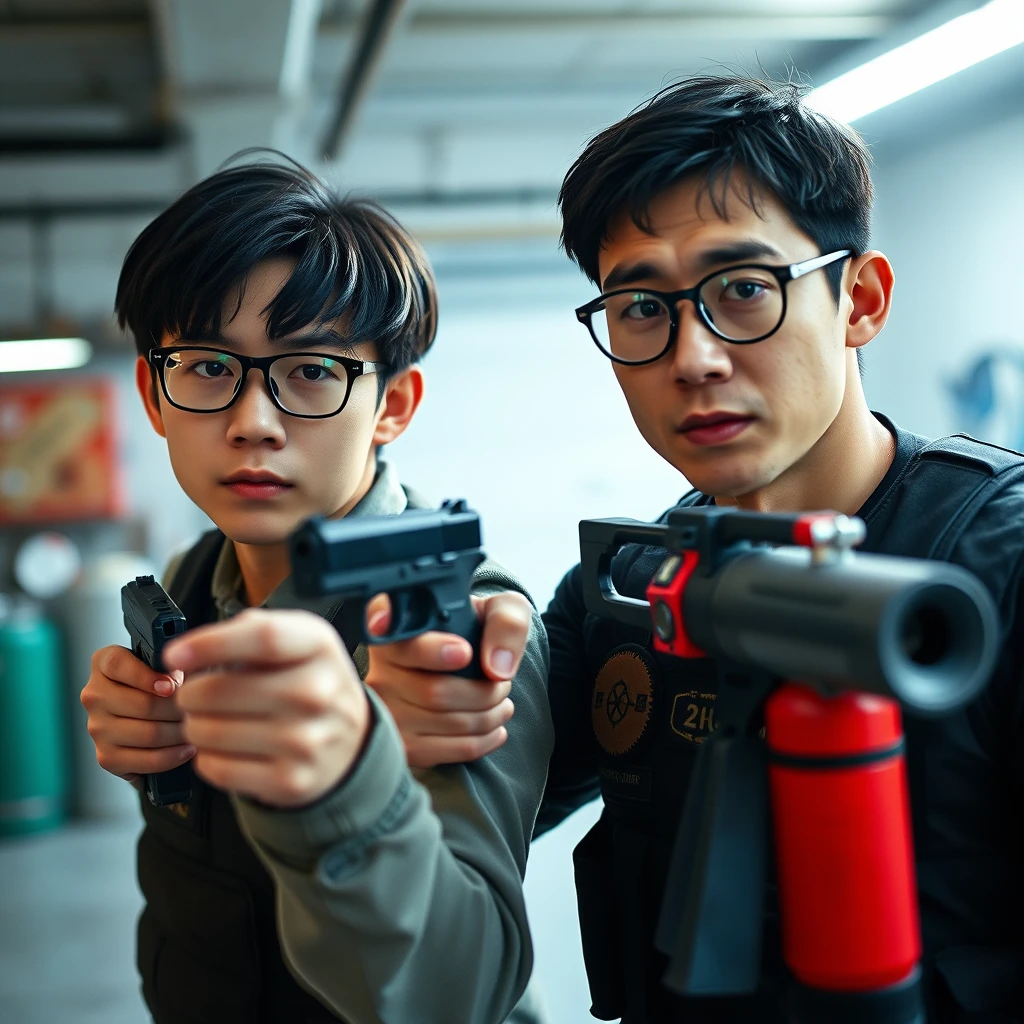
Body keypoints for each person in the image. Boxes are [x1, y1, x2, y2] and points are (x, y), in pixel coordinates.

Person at [372, 76, 1024, 1022]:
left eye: (745, 290)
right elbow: (472, 810)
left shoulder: (999, 562)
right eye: (641, 308)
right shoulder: (630, 586)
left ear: (861, 300)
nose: (693, 356)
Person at [79, 156, 554, 1024]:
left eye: (311, 372)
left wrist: (346, 787)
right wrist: (151, 743)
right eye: (208, 366)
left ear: (392, 405)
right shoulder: (193, 577)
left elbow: (461, 989)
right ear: (154, 391)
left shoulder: (447, 624)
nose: (252, 421)